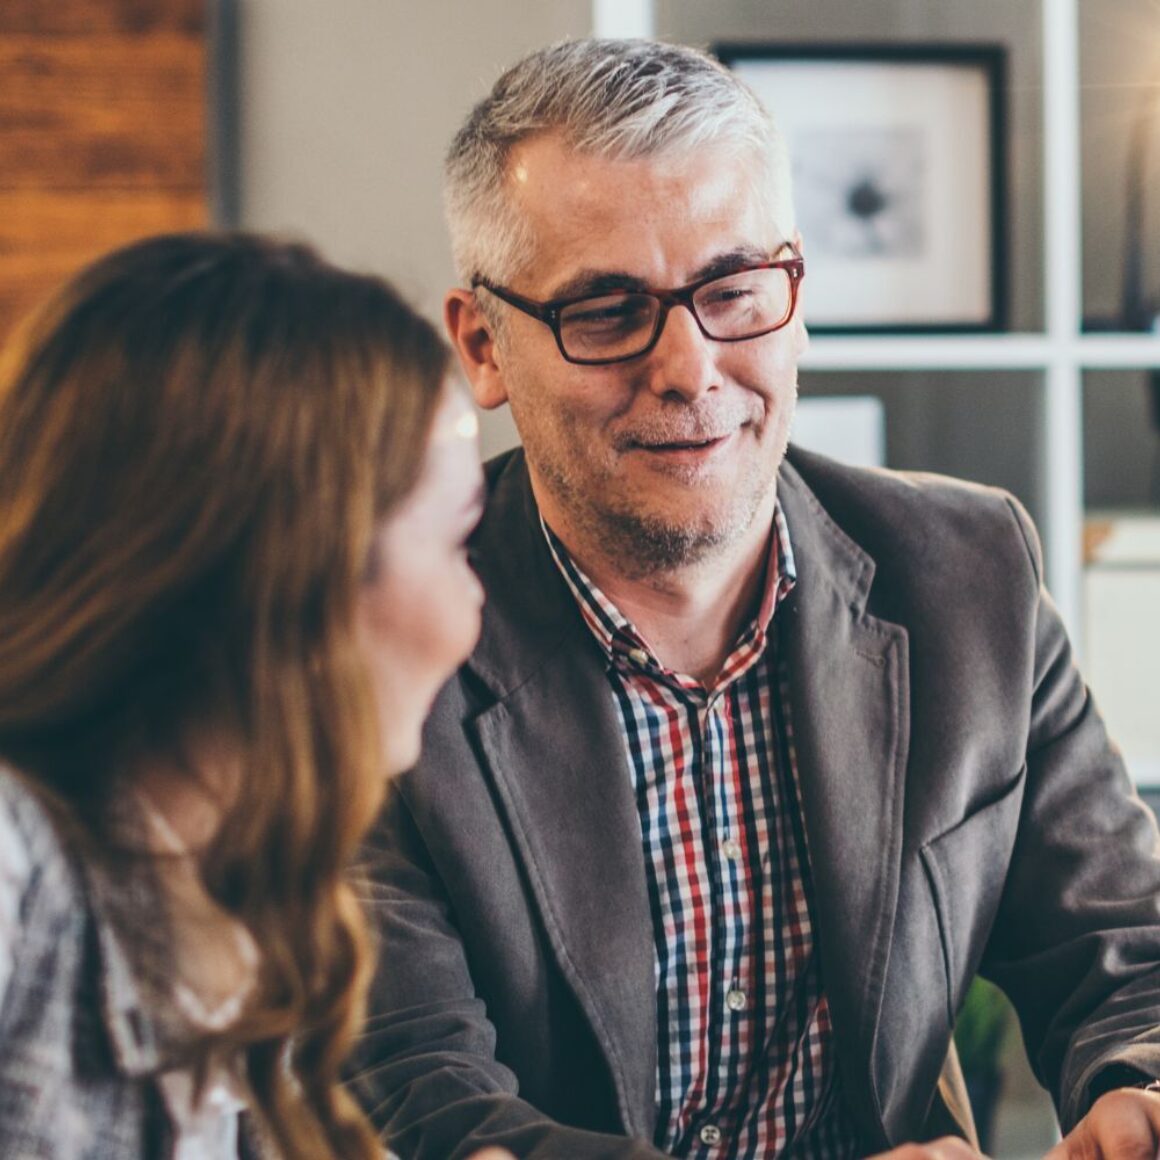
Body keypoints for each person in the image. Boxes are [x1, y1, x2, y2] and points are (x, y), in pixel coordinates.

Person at [349, 36, 1160, 1160]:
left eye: (733, 290)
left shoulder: (968, 570)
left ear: (794, 301)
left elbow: (1123, 947)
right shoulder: (377, 638)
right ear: (484, 346)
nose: (688, 367)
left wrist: (1139, 1087)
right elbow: (424, 1101)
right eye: (605, 310)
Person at [0, 232, 491, 1158]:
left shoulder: (234, 904)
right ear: (301, 577)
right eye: (457, 542)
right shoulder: (13, 867)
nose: (475, 603)